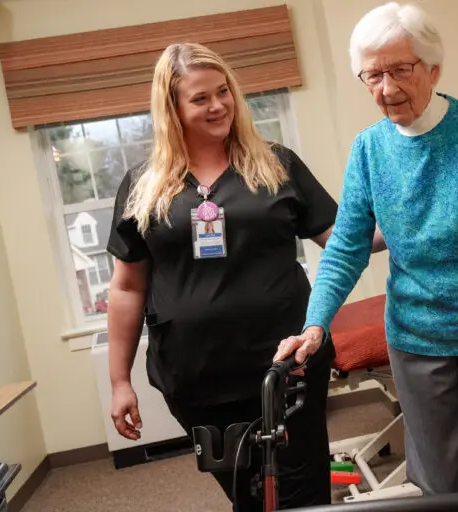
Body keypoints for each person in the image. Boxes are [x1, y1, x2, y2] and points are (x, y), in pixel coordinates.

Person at [274, 2, 458, 502]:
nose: (386, 89)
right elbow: (345, 247)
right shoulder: (369, 149)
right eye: (372, 76)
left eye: (400, 70)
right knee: (440, 489)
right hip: (414, 339)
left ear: (433, 68)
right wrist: (315, 324)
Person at [106, 42, 385, 510]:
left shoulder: (276, 164)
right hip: (196, 374)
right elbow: (127, 287)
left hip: (287, 362)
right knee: (246, 494)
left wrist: (412, 218)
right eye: (200, 98)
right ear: (171, 108)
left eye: (224, 92)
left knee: (302, 488)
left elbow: (344, 238)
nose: (218, 105)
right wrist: (119, 381)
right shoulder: (143, 186)